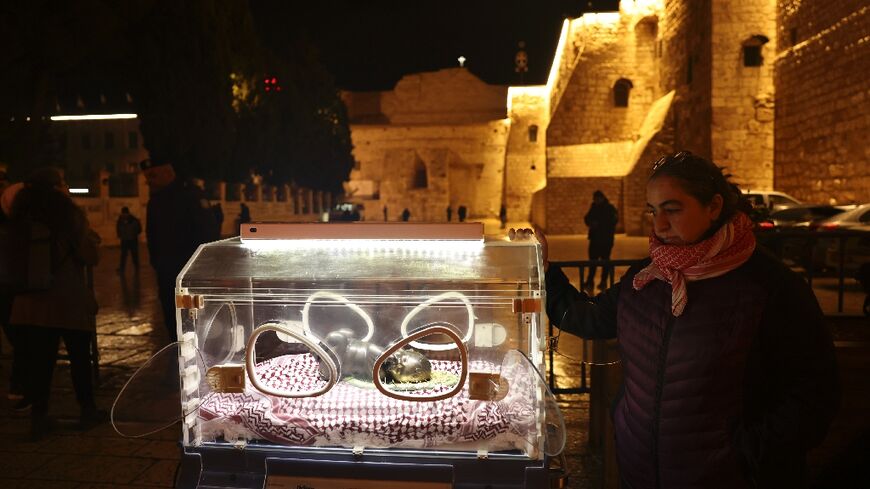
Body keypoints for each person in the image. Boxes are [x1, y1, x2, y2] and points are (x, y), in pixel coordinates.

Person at [528, 151, 839, 488]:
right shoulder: (645, 280)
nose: (659, 225)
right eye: (653, 210)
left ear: (714, 207)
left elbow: (814, 393)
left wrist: (745, 454)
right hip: (642, 471)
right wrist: (544, 272)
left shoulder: (768, 287)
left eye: (673, 210)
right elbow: (588, 318)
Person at [7, 167, 105, 439]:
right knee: (79, 358)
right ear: (57, 187)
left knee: (40, 362)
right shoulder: (67, 215)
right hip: (66, 298)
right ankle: (87, 410)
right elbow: (89, 256)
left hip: (28, 303)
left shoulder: (18, 216)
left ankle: (39, 418)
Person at [141, 159, 218, 340]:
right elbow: (152, 235)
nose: (148, 181)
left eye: (153, 176)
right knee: (172, 319)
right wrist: (157, 262)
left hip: (191, 271)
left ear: (168, 173)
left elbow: (208, 232)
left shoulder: (191, 195)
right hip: (168, 272)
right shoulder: (157, 200)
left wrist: (202, 267)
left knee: (195, 320)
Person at [583, 190, 618, 291]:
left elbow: (612, 222)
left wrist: (599, 225)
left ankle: (603, 282)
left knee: (605, 261)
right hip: (594, 240)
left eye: (597, 198)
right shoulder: (594, 207)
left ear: (602, 198)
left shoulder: (609, 208)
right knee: (593, 262)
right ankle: (590, 281)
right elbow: (587, 218)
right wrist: (591, 223)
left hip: (606, 240)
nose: (595, 200)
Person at [116, 207, 142, 274]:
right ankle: (122, 269)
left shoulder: (133, 220)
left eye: (125, 213)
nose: (124, 215)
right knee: (123, 255)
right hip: (125, 240)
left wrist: (134, 234)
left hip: (132, 240)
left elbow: (139, 229)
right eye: (123, 213)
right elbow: (118, 229)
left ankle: (136, 268)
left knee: (134, 255)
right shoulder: (120, 220)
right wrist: (120, 235)